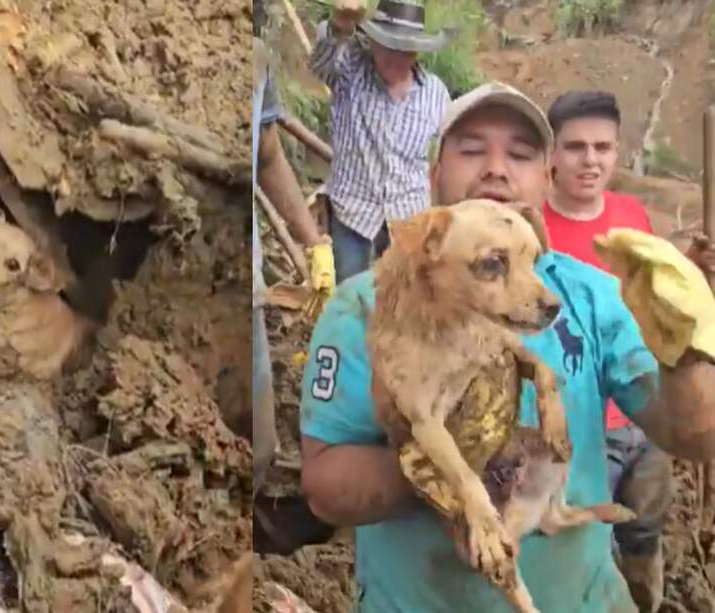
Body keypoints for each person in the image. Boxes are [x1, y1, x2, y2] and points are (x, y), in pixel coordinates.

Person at [298, 81, 715, 612]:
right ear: (434, 179)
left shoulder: (593, 297)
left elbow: (693, 436)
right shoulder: (361, 309)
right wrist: (452, 459)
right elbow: (325, 489)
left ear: (546, 181)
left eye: (519, 154)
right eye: (471, 150)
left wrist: (689, 345)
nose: (496, 168)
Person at [543, 90, 672, 612]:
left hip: (646, 414)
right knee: (579, 541)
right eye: (575, 147)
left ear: (618, 151)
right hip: (578, 430)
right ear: (550, 153)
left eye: (602, 147)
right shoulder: (532, 232)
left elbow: (654, 297)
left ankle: (645, 601)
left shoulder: (631, 215)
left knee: (644, 533)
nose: (590, 160)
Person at [308, 0, 451, 283]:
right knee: (350, 297)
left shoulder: (435, 93)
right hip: (353, 214)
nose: (397, 57)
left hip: (409, 218)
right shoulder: (349, 71)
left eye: (406, 50)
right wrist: (339, 25)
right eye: (390, 47)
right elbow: (321, 61)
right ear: (373, 42)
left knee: (406, 296)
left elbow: (449, 151)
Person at [253, 7, 336, 493]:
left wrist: (314, 243)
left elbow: (266, 151)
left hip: (249, 278)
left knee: (259, 443)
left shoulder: (258, 59)